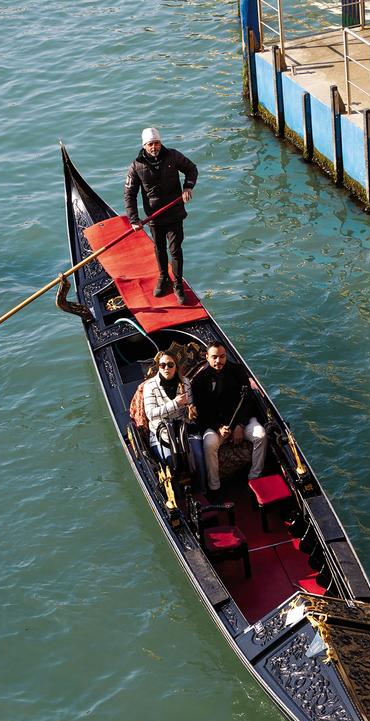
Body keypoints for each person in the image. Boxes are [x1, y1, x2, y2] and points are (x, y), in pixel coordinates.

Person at [124, 127, 198, 306]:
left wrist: (188, 187)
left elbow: (191, 169)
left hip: (174, 213)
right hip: (154, 218)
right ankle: (164, 277)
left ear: (160, 142)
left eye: (157, 143)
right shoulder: (136, 166)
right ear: (144, 146)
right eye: (150, 144)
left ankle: (178, 284)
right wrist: (134, 219)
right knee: (159, 248)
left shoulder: (172, 156)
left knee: (175, 250)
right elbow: (129, 194)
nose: (154, 147)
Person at [192, 342, 267, 500]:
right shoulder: (199, 380)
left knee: (260, 435)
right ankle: (215, 487)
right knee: (209, 444)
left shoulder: (237, 371)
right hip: (215, 425)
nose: (218, 361)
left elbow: (248, 400)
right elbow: (202, 411)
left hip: (242, 420)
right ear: (207, 358)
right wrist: (218, 427)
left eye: (222, 356)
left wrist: (240, 425)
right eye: (214, 357)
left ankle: (254, 478)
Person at [143, 350, 194, 462]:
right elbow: (151, 414)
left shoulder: (185, 383)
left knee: (198, 458)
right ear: (159, 367)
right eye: (162, 365)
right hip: (161, 434)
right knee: (171, 461)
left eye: (170, 365)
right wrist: (175, 404)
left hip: (184, 430)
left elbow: (190, 408)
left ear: (176, 367)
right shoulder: (150, 386)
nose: (166, 368)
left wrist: (191, 412)